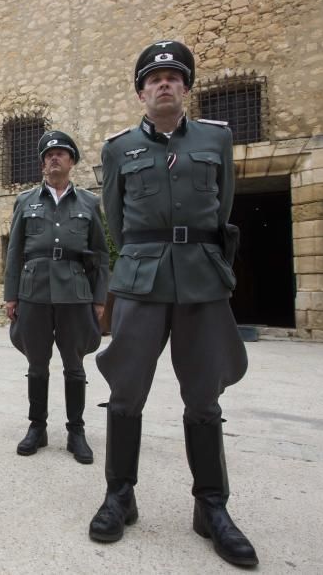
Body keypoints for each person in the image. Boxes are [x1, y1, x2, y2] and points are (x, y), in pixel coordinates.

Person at [90, 40, 258, 567]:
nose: (164, 83)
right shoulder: (118, 149)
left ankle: (211, 507)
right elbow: (115, 221)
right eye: (154, 78)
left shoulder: (216, 139)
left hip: (202, 281)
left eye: (173, 76)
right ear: (141, 92)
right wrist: (147, 252)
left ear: (186, 88)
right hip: (141, 279)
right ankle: (121, 496)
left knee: (204, 397)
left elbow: (222, 205)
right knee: (126, 391)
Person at [3, 130, 109, 464]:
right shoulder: (26, 201)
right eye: (48, 155)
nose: (54, 158)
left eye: (61, 153)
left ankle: (76, 431)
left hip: (75, 293)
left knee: (74, 366)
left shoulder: (89, 203)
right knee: (37, 364)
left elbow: (100, 256)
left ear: (72, 161)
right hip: (33, 292)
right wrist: (11, 295)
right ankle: (37, 428)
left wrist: (99, 298)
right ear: (42, 163)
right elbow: (15, 252)